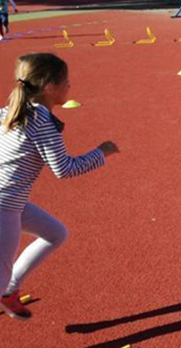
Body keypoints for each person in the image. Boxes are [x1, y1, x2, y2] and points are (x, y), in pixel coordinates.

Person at [0, 53, 118, 320]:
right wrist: (102, 152)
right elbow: (64, 169)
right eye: (66, 81)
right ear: (49, 87)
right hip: (4, 206)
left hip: (12, 202)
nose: (69, 86)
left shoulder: (11, 111)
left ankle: (10, 291)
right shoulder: (40, 120)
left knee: (55, 233)